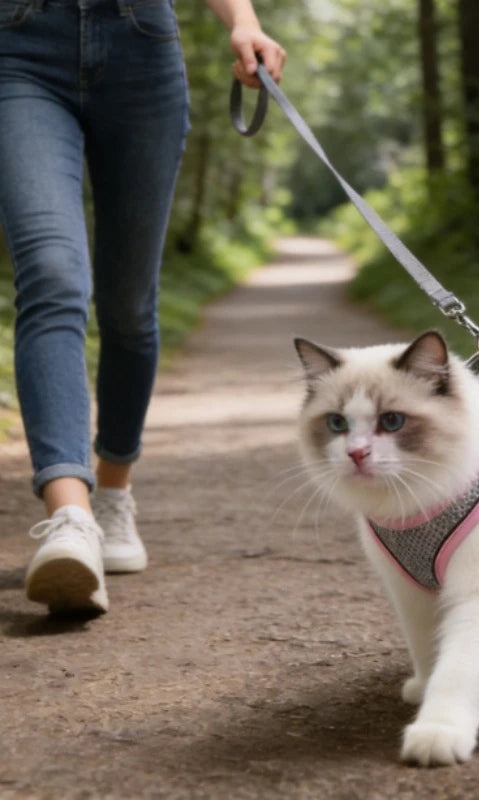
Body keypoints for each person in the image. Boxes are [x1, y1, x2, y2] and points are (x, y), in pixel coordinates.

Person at [0, 0, 285, 614]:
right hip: (16, 46)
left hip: (140, 46)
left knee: (128, 307)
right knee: (51, 275)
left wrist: (242, 20)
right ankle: (70, 518)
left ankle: (112, 491)